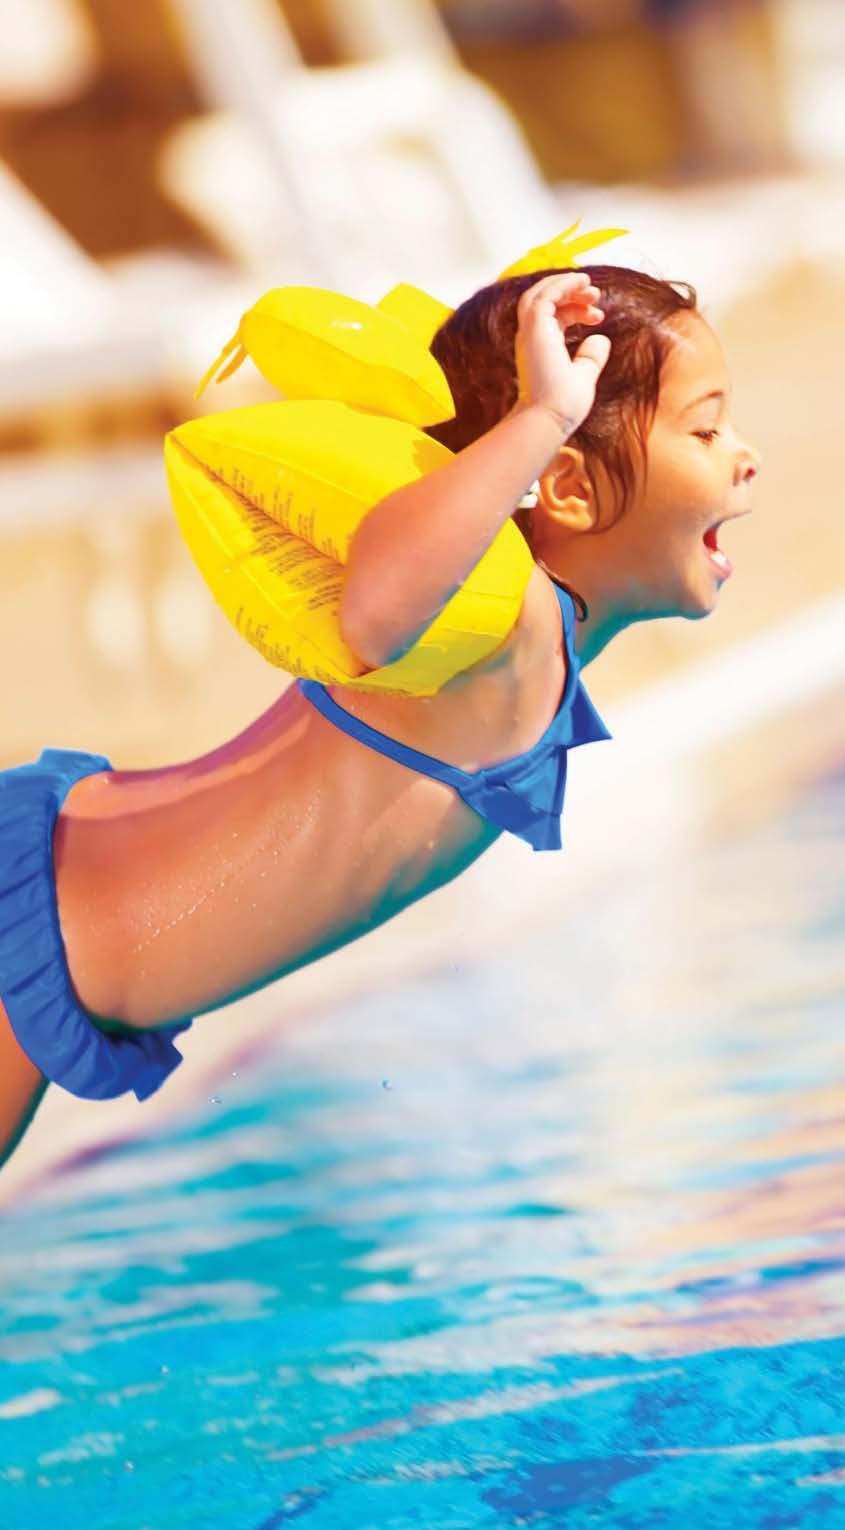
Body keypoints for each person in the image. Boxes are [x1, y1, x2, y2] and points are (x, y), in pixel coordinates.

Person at [0, 266, 760, 1165]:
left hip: (62, 901)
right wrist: (542, 415)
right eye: (705, 429)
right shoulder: (499, 623)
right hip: (46, 925)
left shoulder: (520, 635)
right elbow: (375, 607)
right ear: (567, 487)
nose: (744, 453)